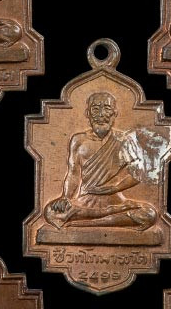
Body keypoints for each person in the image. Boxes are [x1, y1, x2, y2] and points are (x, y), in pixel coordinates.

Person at [44, 92, 157, 230]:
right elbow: (73, 172)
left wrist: (115, 188)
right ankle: (109, 219)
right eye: (95, 109)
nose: (101, 114)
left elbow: (139, 173)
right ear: (88, 113)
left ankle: (88, 222)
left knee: (149, 213)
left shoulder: (123, 140)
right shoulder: (78, 140)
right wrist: (65, 197)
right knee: (50, 212)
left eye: (107, 109)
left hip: (115, 201)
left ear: (115, 113)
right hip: (85, 201)